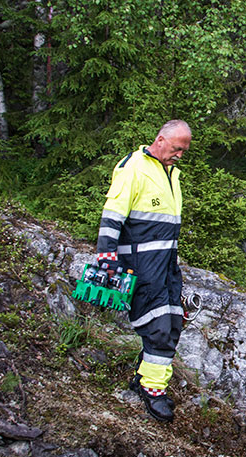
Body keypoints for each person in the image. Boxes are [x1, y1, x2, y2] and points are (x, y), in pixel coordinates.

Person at [95, 120, 192, 423]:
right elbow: (112, 214)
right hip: (141, 263)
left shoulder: (170, 173)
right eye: (177, 149)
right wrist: (106, 256)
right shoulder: (133, 167)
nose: (180, 155)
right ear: (161, 140)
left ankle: (147, 376)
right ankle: (151, 388)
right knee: (158, 324)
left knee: (173, 319)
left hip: (165, 262)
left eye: (184, 151)